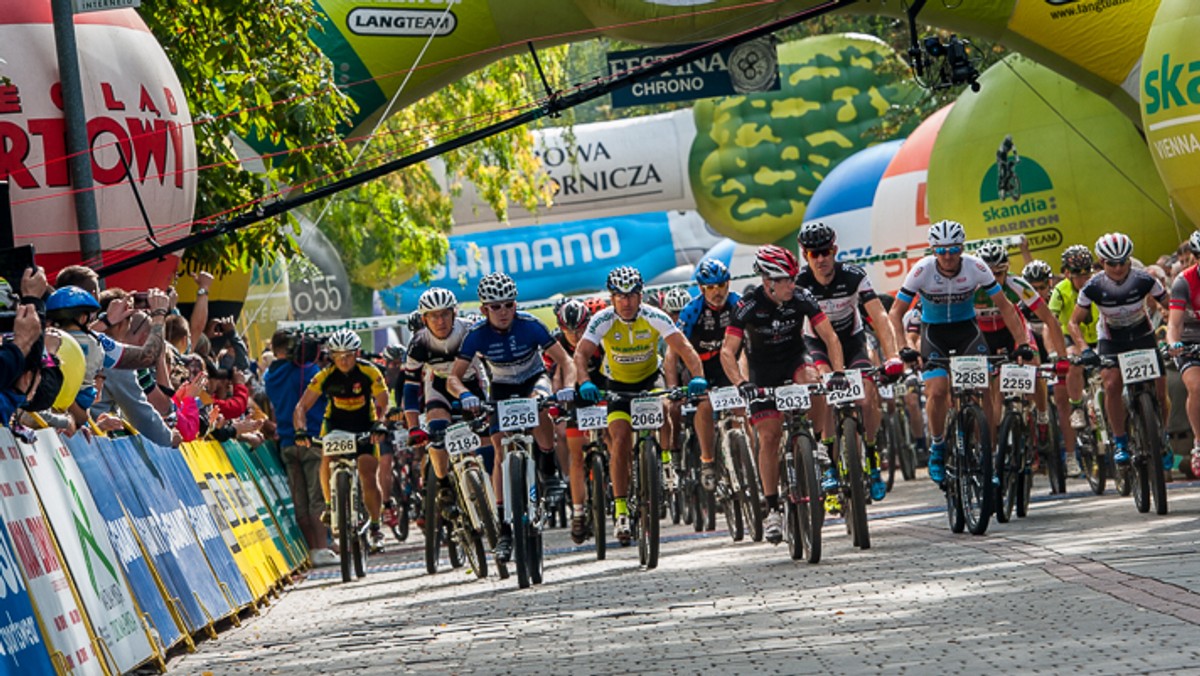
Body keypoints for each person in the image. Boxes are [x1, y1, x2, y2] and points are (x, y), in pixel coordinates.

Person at [888, 220, 1031, 484]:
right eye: (941, 251)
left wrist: (1022, 342)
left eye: (953, 249)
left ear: (962, 248)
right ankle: (938, 446)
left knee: (986, 388)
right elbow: (895, 313)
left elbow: (1006, 307)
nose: (948, 256)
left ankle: (987, 455)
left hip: (967, 330)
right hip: (935, 333)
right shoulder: (922, 270)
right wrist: (903, 348)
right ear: (933, 251)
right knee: (938, 390)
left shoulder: (976, 267)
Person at [447, 273, 576, 563]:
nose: (504, 312)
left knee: (538, 404)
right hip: (501, 387)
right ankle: (505, 529)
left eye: (509, 305)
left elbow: (565, 361)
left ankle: (548, 467)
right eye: (496, 307)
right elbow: (453, 378)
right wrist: (465, 396)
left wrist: (567, 388)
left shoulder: (530, 325)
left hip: (533, 379)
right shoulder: (476, 334)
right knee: (500, 448)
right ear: (484, 310)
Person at [575, 266, 707, 546]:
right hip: (617, 385)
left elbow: (685, 348)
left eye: (632, 295)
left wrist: (698, 377)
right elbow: (581, 354)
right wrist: (585, 380)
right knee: (620, 439)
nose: (626, 302)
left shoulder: (653, 316)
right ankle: (621, 509)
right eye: (620, 296)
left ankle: (667, 460)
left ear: (641, 295)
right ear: (612, 298)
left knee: (664, 407)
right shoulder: (603, 320)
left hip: (650, 379)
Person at [722, 245, 843, 544]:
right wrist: (741, 383)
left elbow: (829, 336)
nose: (793, 283)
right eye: (786, 280)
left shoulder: (801, 297)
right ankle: (772, 507)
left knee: (814, 382)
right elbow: (727, 351)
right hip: (762, 371)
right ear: (768, 282)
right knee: (770, 436)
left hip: (794, 361)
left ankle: (814, 443)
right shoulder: (748, 306)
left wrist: (838, 373)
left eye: (793, 277)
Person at [795, 222, 903, 502]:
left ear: (835, 250)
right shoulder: (800, 283)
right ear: (805, 255)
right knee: (829, 394)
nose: (820, 259)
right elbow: (792, 327)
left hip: (852, 340)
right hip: (817, 343)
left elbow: (879, 317)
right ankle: (829, 462)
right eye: (813, 254)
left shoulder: (854, 276)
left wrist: (892, 356)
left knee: (867, 398)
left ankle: (871, 453)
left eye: (825, 252)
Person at [1071, 233, 1168, 466]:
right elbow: (1074, 322)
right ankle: (1121, 441)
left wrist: (1171, 333)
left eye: (1123, 261)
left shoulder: (1144, 279)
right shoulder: (1093, 286)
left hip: (1143, 334)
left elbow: (1170, 304)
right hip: (1112, 338)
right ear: (1102, 263)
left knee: (1160, 391)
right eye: (1111, 263)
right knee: (1112, 384)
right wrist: (1084, 349)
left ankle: (1162, 437)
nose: (1118, 268)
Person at [293, 329, 391, 548]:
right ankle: (330, 506)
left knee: (368, 473)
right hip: (336, 424)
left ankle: (375, 526)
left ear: (357, 353)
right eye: (339, 355)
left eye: (348, 355)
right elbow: (301, 406)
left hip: (365, 424)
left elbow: (384, 403)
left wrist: (380, 423)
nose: (344, 360)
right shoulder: (325, 375)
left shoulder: (369, 371)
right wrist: (300, 430)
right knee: (327, 459)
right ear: (332, 356)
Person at [403, 287, 491, 525]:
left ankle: (491, 491)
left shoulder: (469, 329)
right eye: (433, 316)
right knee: (436, 429)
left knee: (486, 440)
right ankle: (443, 486)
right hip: (439, 386)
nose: (440, 321)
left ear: (454, 313)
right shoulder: (419, 342)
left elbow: (492, 360)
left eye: (445, 314)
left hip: (473, 384)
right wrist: (413, 428)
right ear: (424, 319)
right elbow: (410, 388)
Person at [672, 259, 739, 494]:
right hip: (700, 367)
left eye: (721, 285)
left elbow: (750, 342)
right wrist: (673, 387)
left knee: (743, 408)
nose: (717, 292)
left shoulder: (737, 303)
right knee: (705, 406)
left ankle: (750, 453)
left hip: (729, 364)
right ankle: (707, 460)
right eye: (710, 287)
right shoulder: (692, 310)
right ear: (701, 289)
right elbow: (673, 352)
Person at [264, 330, 330, 563]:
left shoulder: (269, 376)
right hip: (311, 439)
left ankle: (312, 550)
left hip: (286, 442)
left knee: (299, 499)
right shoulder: (310, 371)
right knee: (317, 497)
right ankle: (323, 548)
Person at [547, 298, 603, 544]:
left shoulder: (599, 339)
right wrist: (557, 406)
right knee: (576, 458)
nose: (575, 335)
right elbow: (555, 378)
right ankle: (579, 513)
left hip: (601, 392)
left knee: (614, 439)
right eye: (569, 330)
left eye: (580, 329)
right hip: (575, 400)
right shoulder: (557, 344)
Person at [1167, 231, 1200, 477]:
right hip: (1190, 339)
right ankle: (1199, 443)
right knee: (1196, 386)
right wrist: (1173, 343)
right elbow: (1174, 324)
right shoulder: (1184, 281)